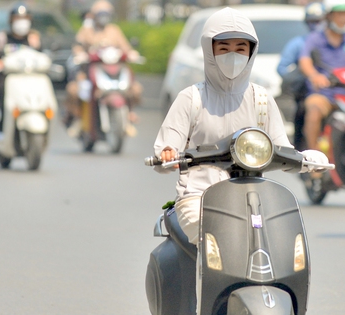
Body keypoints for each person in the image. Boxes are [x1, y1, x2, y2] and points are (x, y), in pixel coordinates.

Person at [153, 7, 328, 246]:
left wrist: (305, 158)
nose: (232, 55)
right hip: (197, 197)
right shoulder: (191, 98)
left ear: (251, 52)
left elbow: (282, 149)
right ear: (209, 50)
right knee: (213, 238)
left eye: (240, 48)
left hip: (252, 197)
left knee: (282, 240)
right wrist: (167, 154)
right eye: (224, 48)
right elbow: (167, 147)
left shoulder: (261, 99)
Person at [298, 0, 345, 153]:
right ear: (329, 16)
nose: (344, 18)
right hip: (323, 94)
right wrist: (314, 76)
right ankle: (313, 159)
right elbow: (304, 61)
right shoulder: (315, 39)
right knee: (313, 113)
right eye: (340, 14)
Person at [64, 0, 142, 136]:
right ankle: (79, 119)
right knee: (75, 89)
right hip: (90, 70)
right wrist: (80, 53)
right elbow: (77, 46)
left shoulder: (114, 30)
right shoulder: (86, 31)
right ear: (94, 15)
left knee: (135, 88)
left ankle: (128, 115)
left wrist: (131, 53)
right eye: (100, 14)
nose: (103, 17)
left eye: (106, 14)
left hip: (113, 70)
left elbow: (126, 47)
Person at [0, 2, 41, 135]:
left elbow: (43, 59)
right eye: (18, 19)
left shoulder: (33, 39)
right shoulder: (2, 39)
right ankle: (1, 126)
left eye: (25, 19)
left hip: (30, 80)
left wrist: (37, 47)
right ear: (11, 21)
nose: (22, 23)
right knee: (2, 89)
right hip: (8, 80)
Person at [276, 2, 325, 151]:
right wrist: (302, 76)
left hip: (331, 93)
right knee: (303, 119)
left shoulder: (333, 43)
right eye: (312, 22)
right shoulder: (298, 44)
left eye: (319, 21)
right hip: (306, 93)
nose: (315, 25)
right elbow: (282, 68)